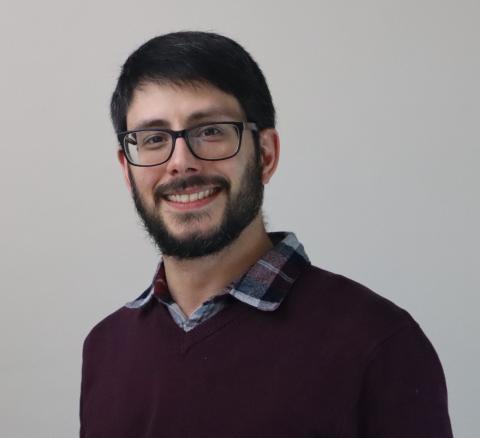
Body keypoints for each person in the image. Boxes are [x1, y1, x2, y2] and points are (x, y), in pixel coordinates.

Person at [80, 31, 453, 437]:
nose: (180, 162)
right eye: (153, 139)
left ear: (266, 155)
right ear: (127, 170)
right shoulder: (105, 348)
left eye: (210, 131)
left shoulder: (378, 343)